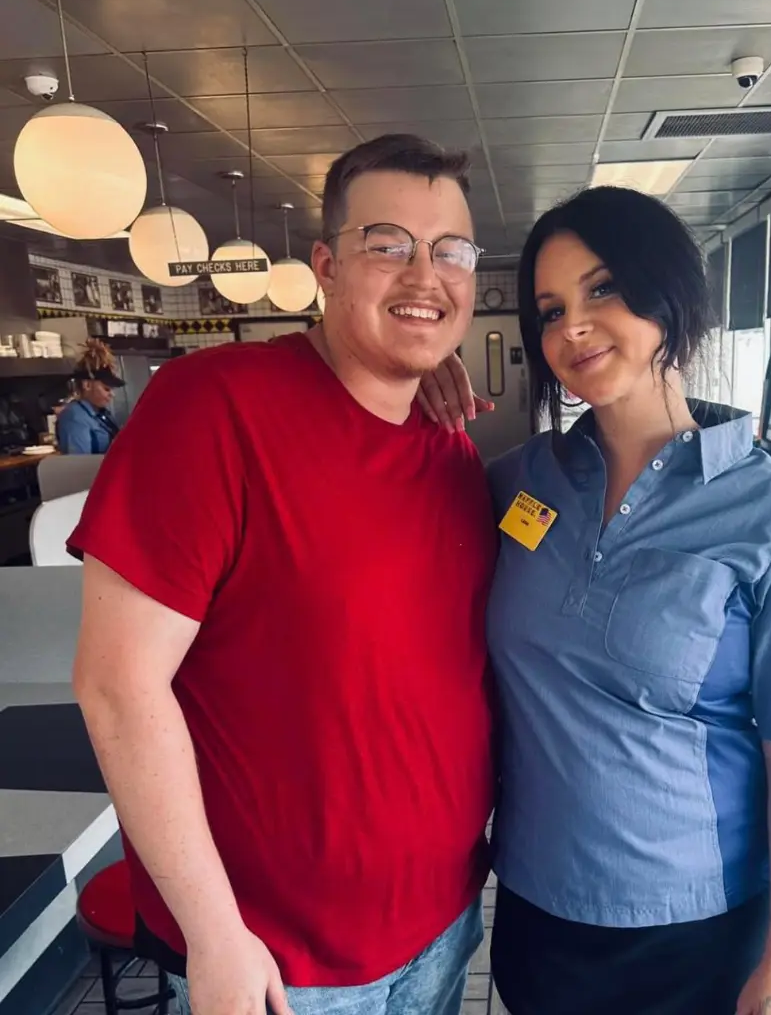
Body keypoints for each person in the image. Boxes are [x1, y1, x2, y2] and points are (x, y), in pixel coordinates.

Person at [69, 134, 496, 1015]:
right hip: (277, 962)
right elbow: (116, 687)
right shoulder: (214, 408)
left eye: (448, 251)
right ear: (328, 265)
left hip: (443, 926)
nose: (425, 275)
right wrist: (215, 932)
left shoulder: (450, 446)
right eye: (388, 244)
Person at [419, 185, 771, 1015]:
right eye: (550, 311)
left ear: (671, 297)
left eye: (602, 290)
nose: (573, 327)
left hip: (696, 930)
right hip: (536, 912)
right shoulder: (517, 482)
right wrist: (414, 378)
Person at [55, 339, 124, 454]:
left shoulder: (102, 414)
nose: (112, 394)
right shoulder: (74, 417)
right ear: (86, 385)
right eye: (106, 389)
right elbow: (79, 464)